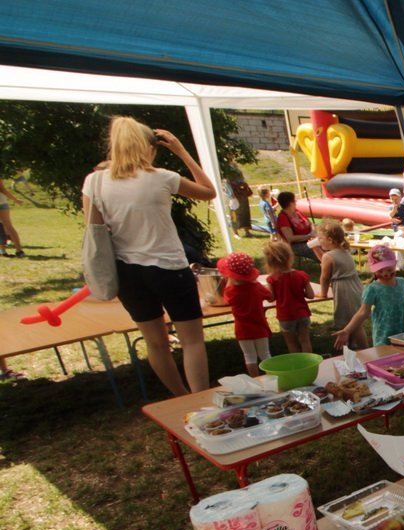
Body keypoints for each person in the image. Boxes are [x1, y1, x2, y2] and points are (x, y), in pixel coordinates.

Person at [82, 116, 215, 396]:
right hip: (169, 268)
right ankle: (201, 400)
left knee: (156, 343)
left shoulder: (94, 182)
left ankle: (179, 398)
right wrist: (181, 151)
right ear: (148, 147)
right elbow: (208, 192)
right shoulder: (162, 177)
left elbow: (94, 229)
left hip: (128, 273)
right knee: (192, 341)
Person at [334, 245, 404, 349]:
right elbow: (362, 313)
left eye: (389, 270)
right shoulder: (373, 289)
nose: (385, 274)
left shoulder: (402, 282)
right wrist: (347, 330)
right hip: (386, 333)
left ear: (395, 264)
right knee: (386, 358)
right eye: (380, 271)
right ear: (374, 271)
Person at [219, 251, 272, 377]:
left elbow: (226, 300)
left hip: (243, 329)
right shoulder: (257, 287)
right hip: (260, 326)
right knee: (265, 354)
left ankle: (255, 379)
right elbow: (269, 295)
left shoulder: (231, 291)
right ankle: (271, 376)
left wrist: (228, 281)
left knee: (249, 357)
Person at [314, 221, 364, 346]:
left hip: (344, 291)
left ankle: (364, 348)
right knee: (353, 321)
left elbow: (325, 277)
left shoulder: (329, 256)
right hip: (355, 287)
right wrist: (315, 249)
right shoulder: (343, 251)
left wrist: (323, 293)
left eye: (320, 238)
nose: (319, 241)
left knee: (354, 323)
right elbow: (327, 261)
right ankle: (352, 346)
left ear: (329, 239)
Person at [264, 240, 314, 353]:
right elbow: (310, 295)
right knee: (305, 340)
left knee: (291, 343)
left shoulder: (272, 279)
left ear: (269, 262)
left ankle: (296, 365)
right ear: (290, 257)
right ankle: (309, 362)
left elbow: (270, 298)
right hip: (302, 313)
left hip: (285, 315)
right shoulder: (302, 275)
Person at [275, 190, 316, 262]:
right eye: (294, 200)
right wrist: (309, 236)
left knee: (328, 242)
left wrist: (313, 232)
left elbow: (310, 224)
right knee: (317, 247)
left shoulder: (297, 211)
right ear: (290, 203)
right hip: (295, 245)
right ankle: (328, 266)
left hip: (309, 238)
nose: (296, 201)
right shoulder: (283, 218)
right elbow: (290, 238)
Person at [223, 161, 253, 238]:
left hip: (242, 194)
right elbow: (226, 183)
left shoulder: (237, 168)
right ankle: (235, 233)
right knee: (234, 213)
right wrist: (231, 194)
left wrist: (246, 189)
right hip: (234, 195)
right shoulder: (226, 169)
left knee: (245, 212)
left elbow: (242, 180)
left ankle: (247, 230)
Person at [0, 178, 25, 257]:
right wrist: (15, 200)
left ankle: (2, 250)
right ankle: (19, 250)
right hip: (2, 202)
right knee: (8, 226)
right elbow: (3, 190)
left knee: (1, 227)